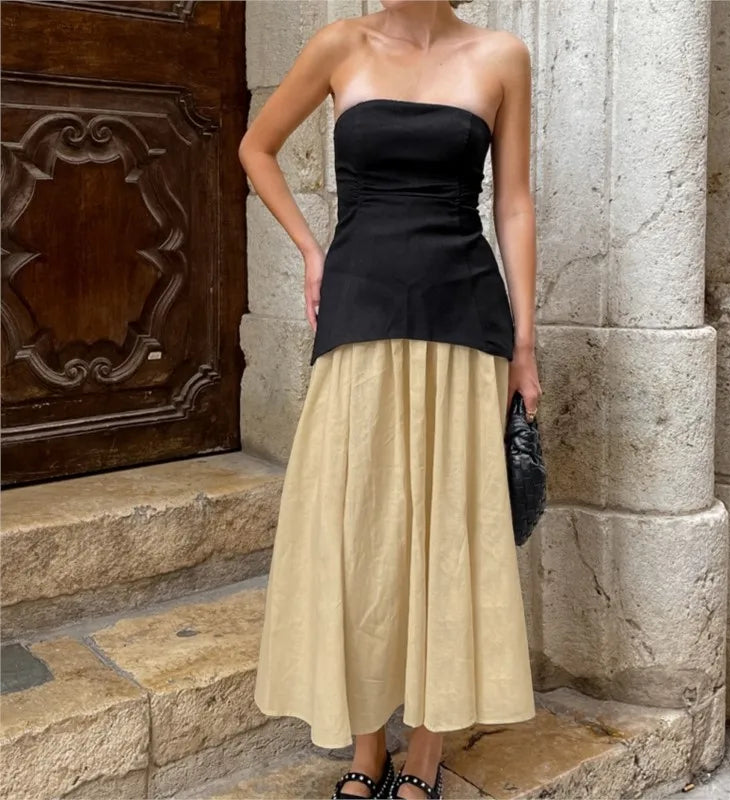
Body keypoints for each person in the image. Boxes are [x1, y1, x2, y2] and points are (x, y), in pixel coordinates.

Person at [238, 1, 541, 798]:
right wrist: (311, 252)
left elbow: (512, 203)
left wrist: (525, 345)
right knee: (358, 526)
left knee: (449, 525)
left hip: (464, 310)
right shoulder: (341, 42)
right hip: (359, 306)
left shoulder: (502, 54)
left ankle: (426, 752)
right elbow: (255, 146)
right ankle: (366, 746)